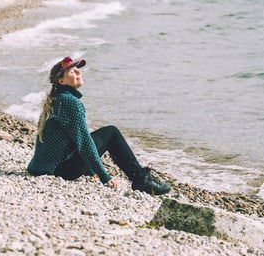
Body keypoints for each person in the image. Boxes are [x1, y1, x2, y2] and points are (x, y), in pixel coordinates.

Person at [27, 56, 171, 195]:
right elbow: (84, 142)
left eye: (78, 69)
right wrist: (104, 176)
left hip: (43, 167)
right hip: (60, 170)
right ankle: (141, 179)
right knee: (111, 133)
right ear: (61, 81)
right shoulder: (69, 102)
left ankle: (140, 178)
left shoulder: (57, 99)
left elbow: (65, 140)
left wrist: (90, 170)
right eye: (72, 71)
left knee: (99, 134)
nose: (78, 72)